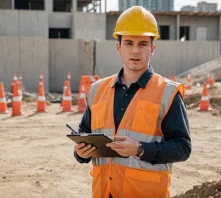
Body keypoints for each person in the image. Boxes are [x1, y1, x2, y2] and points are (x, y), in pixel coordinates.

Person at [73, 6, 191, 198]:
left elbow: (182, 148)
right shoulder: (97, 90)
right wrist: (80, 153)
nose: (135, 51)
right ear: (118, 46)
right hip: (104, 192)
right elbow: (84, 133)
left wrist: (140, 149)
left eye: (143, 44)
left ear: (152, 48)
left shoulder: (167, 92)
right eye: (129, 43)